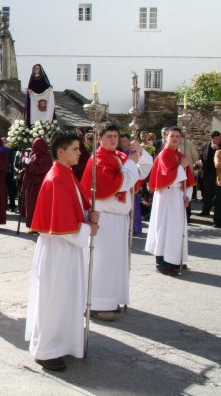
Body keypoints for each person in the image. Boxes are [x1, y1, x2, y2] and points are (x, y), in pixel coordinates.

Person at [25, 132, 99, 372]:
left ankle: (63, 343)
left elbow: (74, 210)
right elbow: (62, 225)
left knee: (66, 297)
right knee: (55, 298)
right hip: (59, 249)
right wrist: (89, 228)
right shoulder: (57, 178)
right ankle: (46, 349)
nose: (80, 153)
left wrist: (89, 216)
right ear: (61, 152)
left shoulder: (66, 175)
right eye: (75, 149)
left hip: (67, 248)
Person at [80, 122, 152, 321]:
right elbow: (113, 183)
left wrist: (141, 153)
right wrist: (131, 162)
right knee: (102, 262)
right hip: (104, 218)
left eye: (115, 136)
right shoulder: (98, 159)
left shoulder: (120, 157)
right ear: (100, 138)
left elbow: (140, 173)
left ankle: (110, 299)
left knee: (115, 263)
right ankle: (96, 303)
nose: (113, 139)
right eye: (109, 136)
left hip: (119, 218)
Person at [145, 127, 196, 276]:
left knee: (176, 229)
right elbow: (168, 177)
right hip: (166, 196)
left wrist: (187, 196)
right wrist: (182, 166)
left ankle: (173, 259)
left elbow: (188, 179)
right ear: (166, 137)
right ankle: (161, 262)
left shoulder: (180, 155)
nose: (174, 138)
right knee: (165, 228)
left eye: (177, 136)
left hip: (177, 197)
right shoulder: (164, 155)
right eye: (172, 136)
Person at [22, 138, 53, 229]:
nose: (32, 148)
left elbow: (40, 170)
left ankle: (39, 225)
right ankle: (32, 224)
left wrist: (30, 164)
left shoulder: (46, 157)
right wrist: (25, 161)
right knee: (31, 205)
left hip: (40, 185)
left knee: (38, 206)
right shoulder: (33, 155)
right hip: (31, 184)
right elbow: (27, 167)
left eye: (34, 146)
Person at [198, 131, 220, 216]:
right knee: (207, 193)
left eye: (219, 138)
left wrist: (217, 149)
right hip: (207, 172)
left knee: (216, 193)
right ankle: (205, 211)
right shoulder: (205, 146)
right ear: (212, 138)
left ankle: (216, 213)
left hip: (217, 173)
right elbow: (202, 156)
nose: (218, 140)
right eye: (216, 138)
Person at [214, 147, 221, 228]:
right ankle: (217, 221)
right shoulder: (218, 152)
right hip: (220, 182)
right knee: (219, 203)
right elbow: (217, 164)